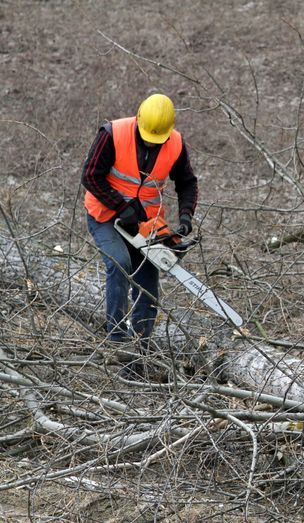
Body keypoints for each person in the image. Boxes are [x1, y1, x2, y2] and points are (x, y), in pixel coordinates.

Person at [81, 93, 198, 376]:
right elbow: (90, 175)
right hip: (105, 214)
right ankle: (118, 342)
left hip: (146, 222)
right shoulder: (113, 133)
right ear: (139, 120)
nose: (150, 143)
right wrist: (121, 205)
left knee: (148, 281)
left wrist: (184, 218)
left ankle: (141, 349)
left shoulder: (175, 144)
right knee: (120, 262)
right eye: (147, 137)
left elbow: (187, 183)